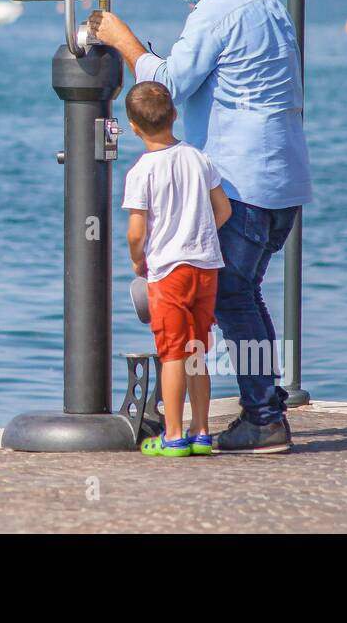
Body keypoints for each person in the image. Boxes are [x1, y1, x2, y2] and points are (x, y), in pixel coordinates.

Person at [91, 0, 311, 454]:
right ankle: (265, 405)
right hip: (283, 179)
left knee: (234, 296)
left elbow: (166, 84)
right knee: (243, 294)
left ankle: (261, 417)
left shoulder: (216, 13)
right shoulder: (268, 6)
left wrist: (123, 42)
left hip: (243, 181)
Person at [122, 81, 231, 459]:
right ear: (174, 116)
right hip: (205, 268)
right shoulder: (199, 158)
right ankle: (201, 433)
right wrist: (197, 235)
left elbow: (137, 233)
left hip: (168, 272)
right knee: (197, 350)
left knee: (171, 353)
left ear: (134, 127)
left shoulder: (141, 171)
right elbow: (223, 211)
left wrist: (140, 259)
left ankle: (172, 436)